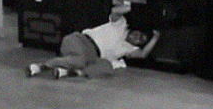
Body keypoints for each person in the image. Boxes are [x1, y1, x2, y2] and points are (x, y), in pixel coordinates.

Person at [26, 5, 159, 78]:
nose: (137, 37)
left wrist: (155, 38)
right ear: (135, 29)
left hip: (92, 57)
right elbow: (115, 11)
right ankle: (42, 66)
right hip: (79, 41)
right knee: (80, 61)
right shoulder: (121, 25)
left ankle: (69, 71)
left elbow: (143, 54)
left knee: (107, 67)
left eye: (141, 40)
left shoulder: (129, 49)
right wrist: (131, 6)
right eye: (139, 34)